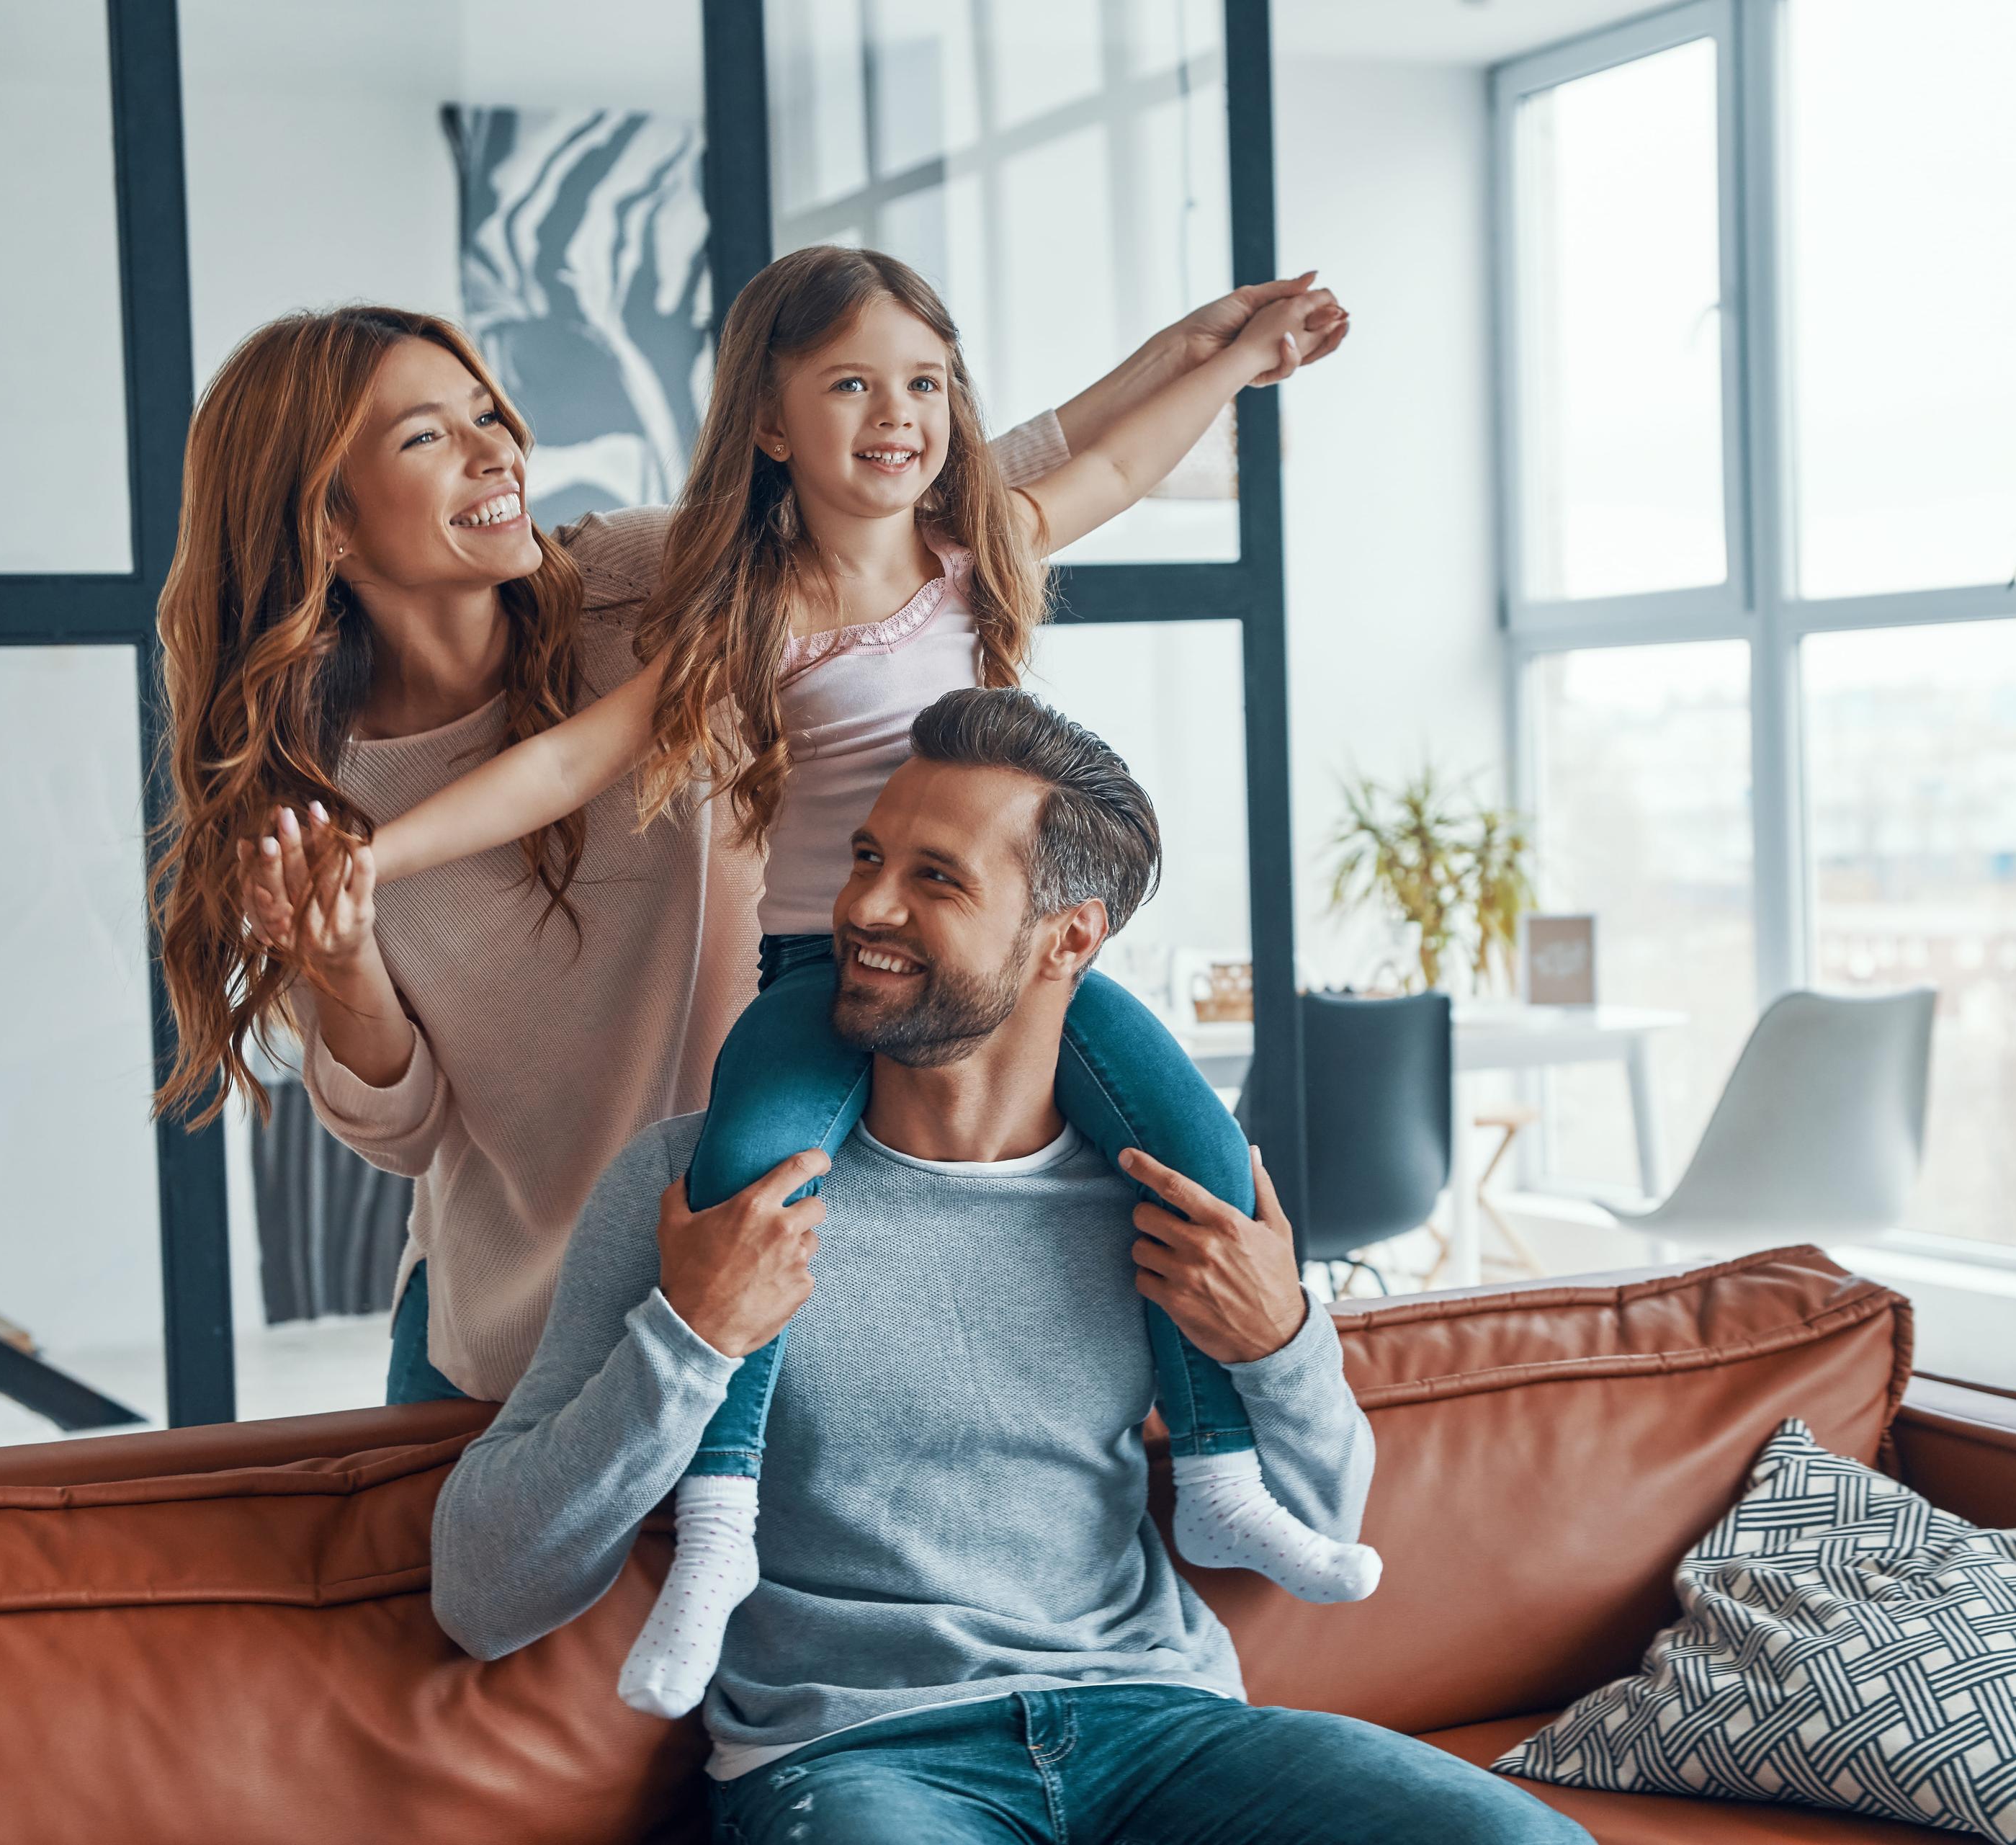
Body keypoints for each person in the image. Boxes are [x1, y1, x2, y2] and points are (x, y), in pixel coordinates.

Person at [300, 248, 1371, 1718]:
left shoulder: (969, 544)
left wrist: (1222, 358)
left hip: (981, 972)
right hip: (816, 975)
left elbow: (1104, 452)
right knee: (750, 1199)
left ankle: (1231, 1478)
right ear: (769, 424)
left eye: (925, 385)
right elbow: (571, 759)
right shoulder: (750, 604)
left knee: (1193, 1152)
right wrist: (372, 859)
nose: (898, 416)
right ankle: (721, 1536)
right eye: (852, 386)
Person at [152, 278, 1347, 1408]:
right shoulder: (317, 808)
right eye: (427, 438)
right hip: (519, 1332)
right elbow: (400, 1130)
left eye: (486, 412)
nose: (495, 451)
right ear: (329, 523)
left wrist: (1184, 360)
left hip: (777, 1268)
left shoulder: (642, 582)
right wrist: (344, 950)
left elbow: (908, 517)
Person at [429, 690, 1587, 1845]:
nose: (866, 906)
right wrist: (690, 1338)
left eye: (937, 878)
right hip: (855, 1752)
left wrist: (1281, 1338)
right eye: (869, 856)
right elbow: (483, 1592)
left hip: (1160, 1724)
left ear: (1069, 938)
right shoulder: (700, 1191)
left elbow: (1320, 1518)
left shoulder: (1163, 1197)